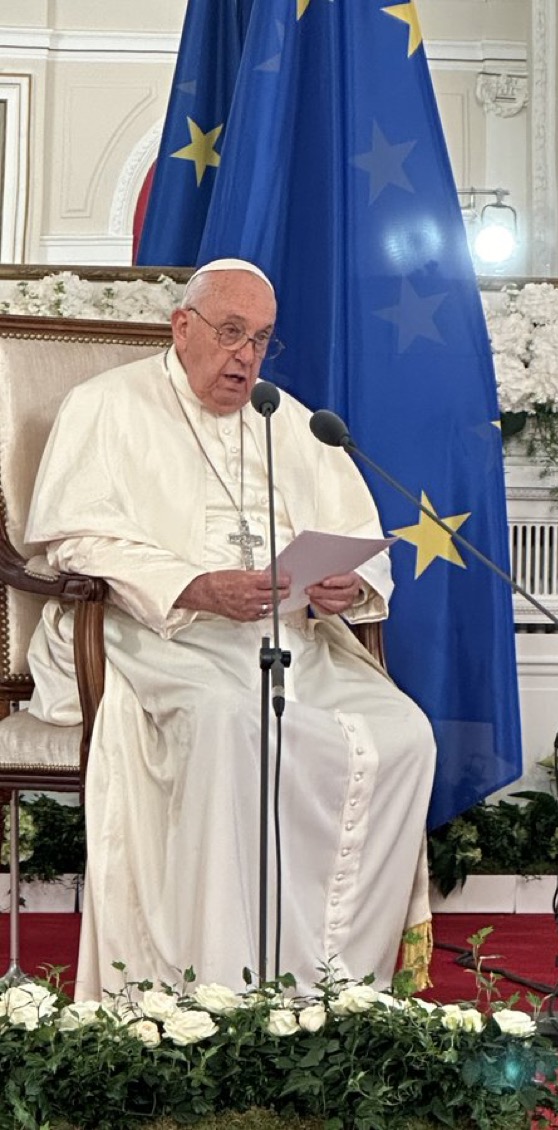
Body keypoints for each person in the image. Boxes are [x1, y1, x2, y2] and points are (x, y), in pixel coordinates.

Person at [24, 258, 436, 1000]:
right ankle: (211, 982)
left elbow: (357, 539)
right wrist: (195, 586)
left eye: (261, 340)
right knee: (226, 721)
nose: (245, 356)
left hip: (287, 641)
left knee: (405, 735)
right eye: (231, 333)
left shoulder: (291, 422)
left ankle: (339, 985)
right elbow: (74, 541)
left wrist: (349, 584)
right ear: (184, 328)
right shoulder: (106, 407)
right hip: (155, 631)